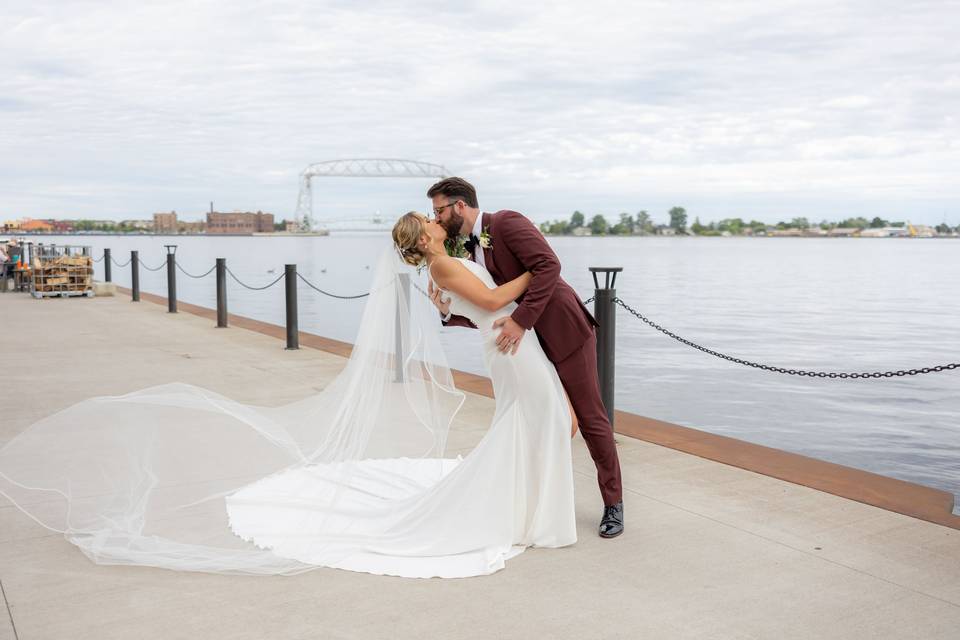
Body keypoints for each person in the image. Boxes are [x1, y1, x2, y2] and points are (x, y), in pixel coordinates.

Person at [0, 213, 578, 579]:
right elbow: (500, 292)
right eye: (427, 224)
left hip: (504, 347)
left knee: (532, 422)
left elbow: (481, 303)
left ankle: (530, 511)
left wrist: (517, 291)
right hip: (511, 347)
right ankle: (529, 515)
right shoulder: (447, 266)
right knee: (540, 419)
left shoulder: (440, 272)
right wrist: (541, 267)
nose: (434, 224)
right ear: (423, 241)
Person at [426, 176, 625, 538]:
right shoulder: (466, 249)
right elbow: (486, 304)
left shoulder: (507, 222)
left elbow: (549, 266)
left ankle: (614, 505)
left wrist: (520, 321)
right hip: (525, 347)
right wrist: (445, 311)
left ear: (459, 205)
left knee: (590, 416)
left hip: (563, 331)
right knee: (540, 418)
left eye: (439, 210)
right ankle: (537, 498)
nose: (436, 218)